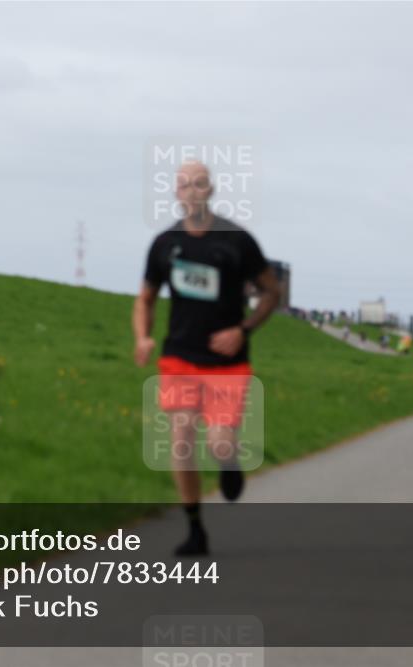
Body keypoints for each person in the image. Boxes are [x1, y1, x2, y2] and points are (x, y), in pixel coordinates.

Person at [133, 160, 280, 556]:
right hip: (179, 357)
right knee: (180, 439)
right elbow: (145, 298)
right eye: (184, 185)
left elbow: (271, 291)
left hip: (226, 363)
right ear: (176, 194)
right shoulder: (164, 245)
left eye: (199, 184)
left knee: (218, 442)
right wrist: (143, 337)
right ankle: (195, 528)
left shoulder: (236, 241)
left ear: (211, 191)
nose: (192, 191)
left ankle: (229, 463)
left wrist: (243, 330)